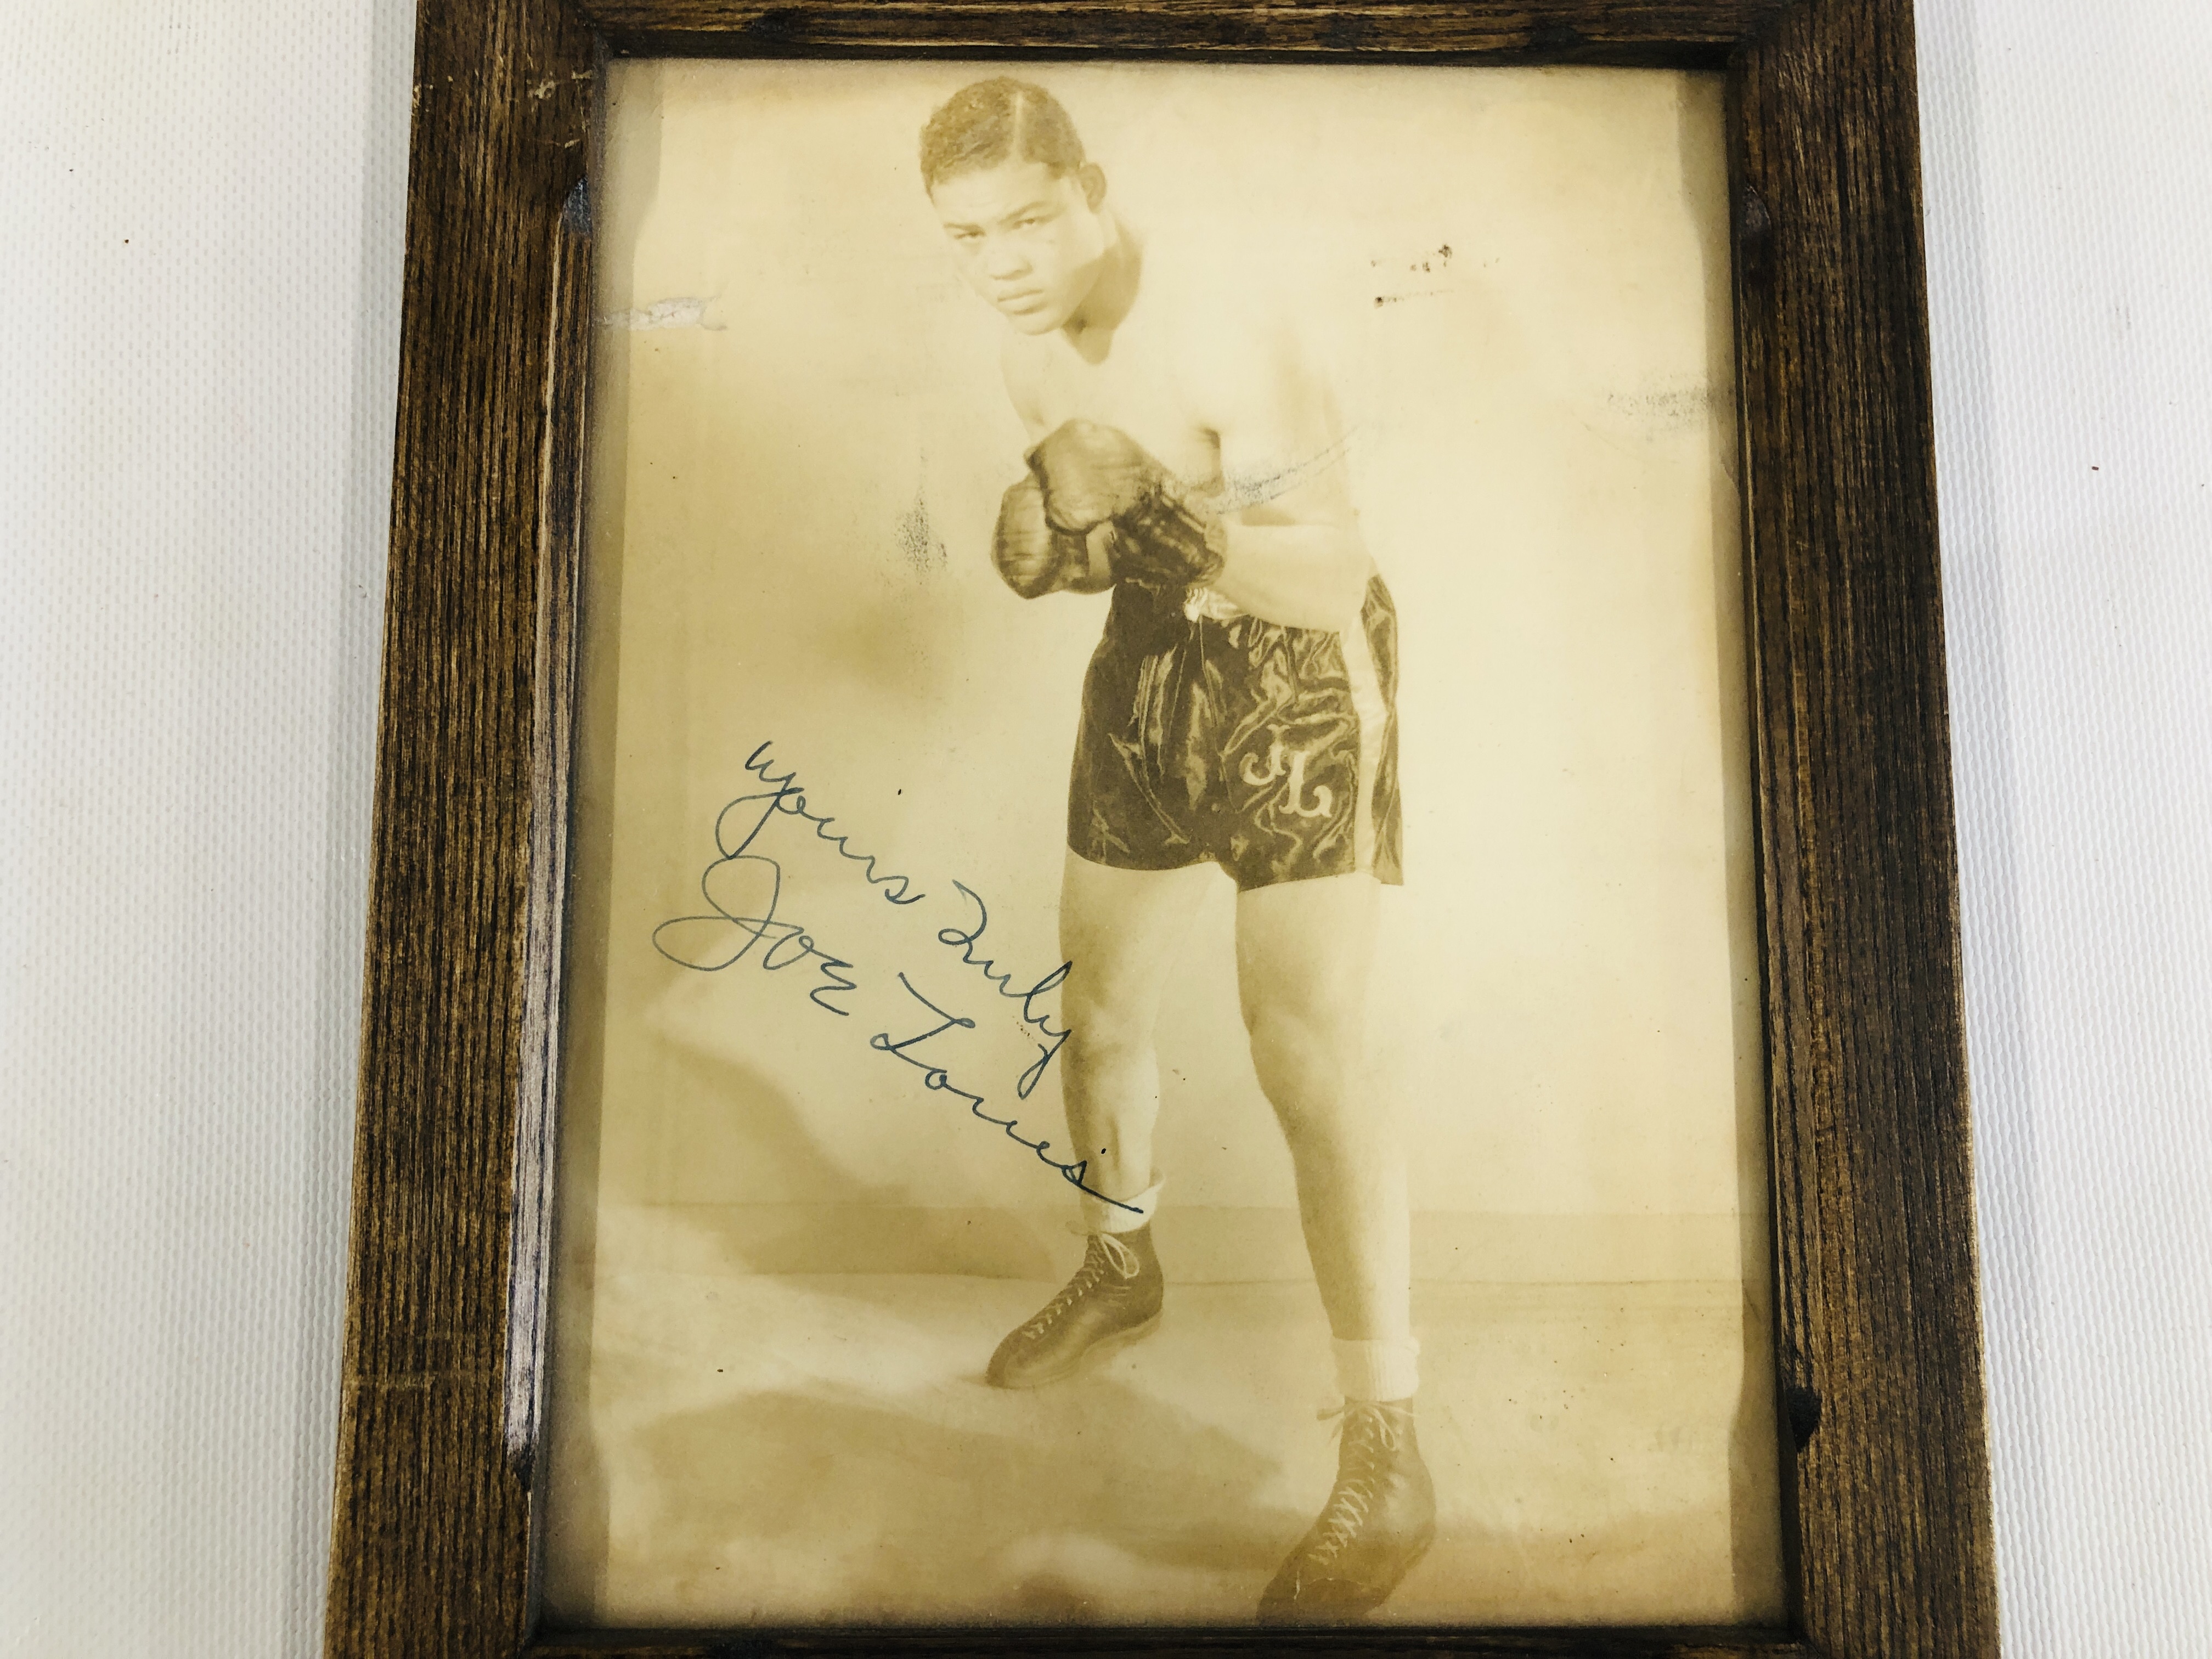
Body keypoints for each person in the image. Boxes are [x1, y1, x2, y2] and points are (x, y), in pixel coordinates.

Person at [921, 77, 1432, 1620]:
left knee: (1308, 1054)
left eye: (1025, 219)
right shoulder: (1028, 350)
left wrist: (1171, 521)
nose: (1002, 260)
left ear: (1091, 184)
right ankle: (1122, 1263)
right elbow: (1106, 537)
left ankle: (1391, 1443)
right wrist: (1059, 541)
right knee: (1101, 1010)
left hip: (1300, 677)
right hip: (1157, 669)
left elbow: (1331, 569)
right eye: (967, 237)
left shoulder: (1231, 330)